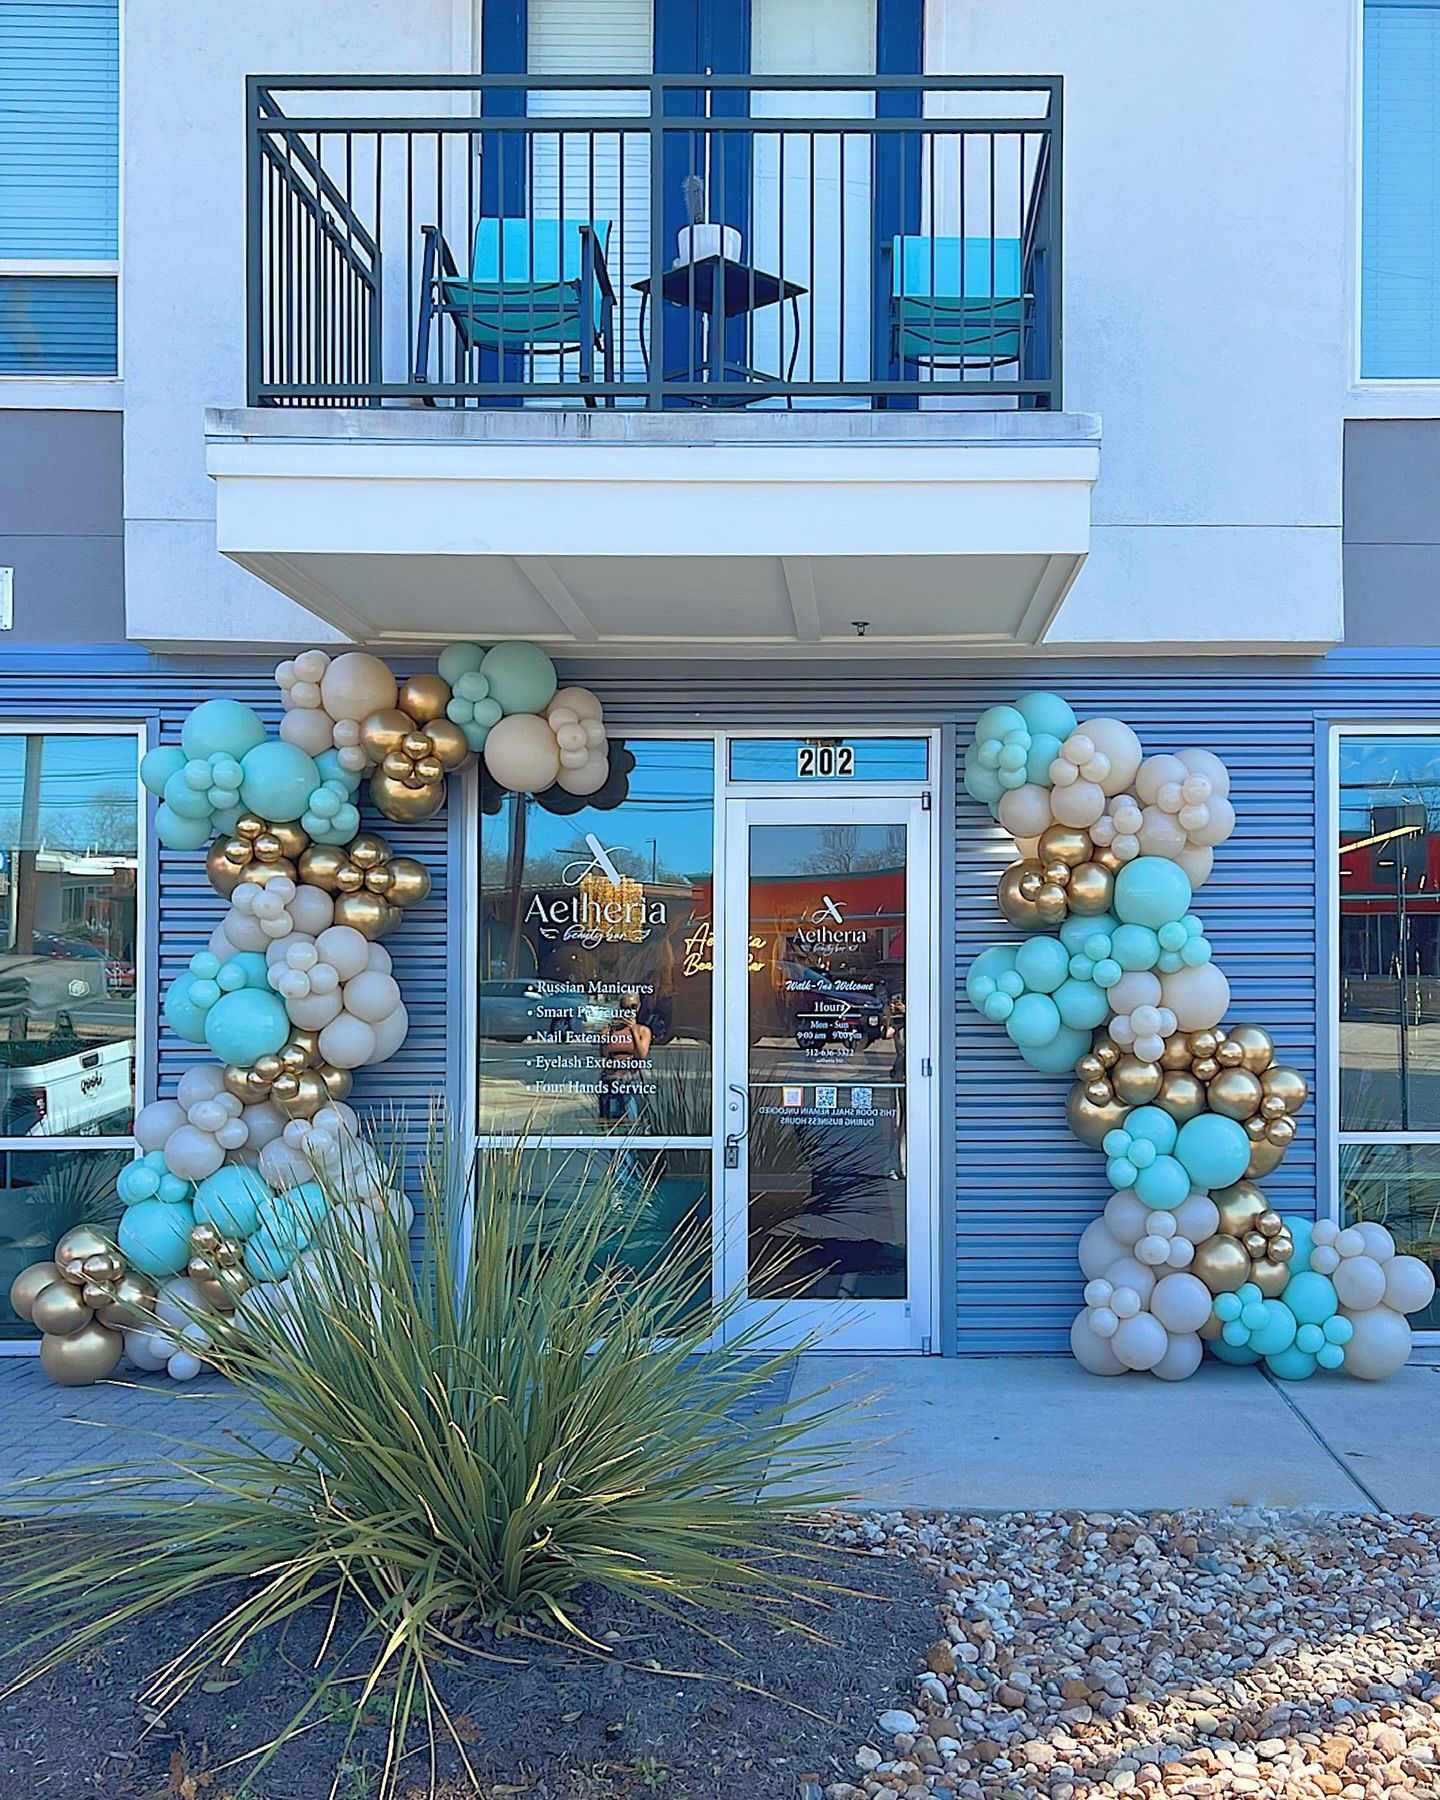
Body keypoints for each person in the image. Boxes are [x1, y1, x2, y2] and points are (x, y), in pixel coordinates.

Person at [599, 992, 652, 1124]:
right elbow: (604, 1054)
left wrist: (633, 1030)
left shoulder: (643, 1030)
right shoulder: (611, 1029)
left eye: (633, 1007)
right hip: (611, 1078)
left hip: (631, 1079)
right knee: (609, 1120)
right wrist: (606, 1037)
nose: (629, 1011)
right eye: (625, 1007)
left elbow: (641, 1055)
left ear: (638, 1007)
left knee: (632, 1118)